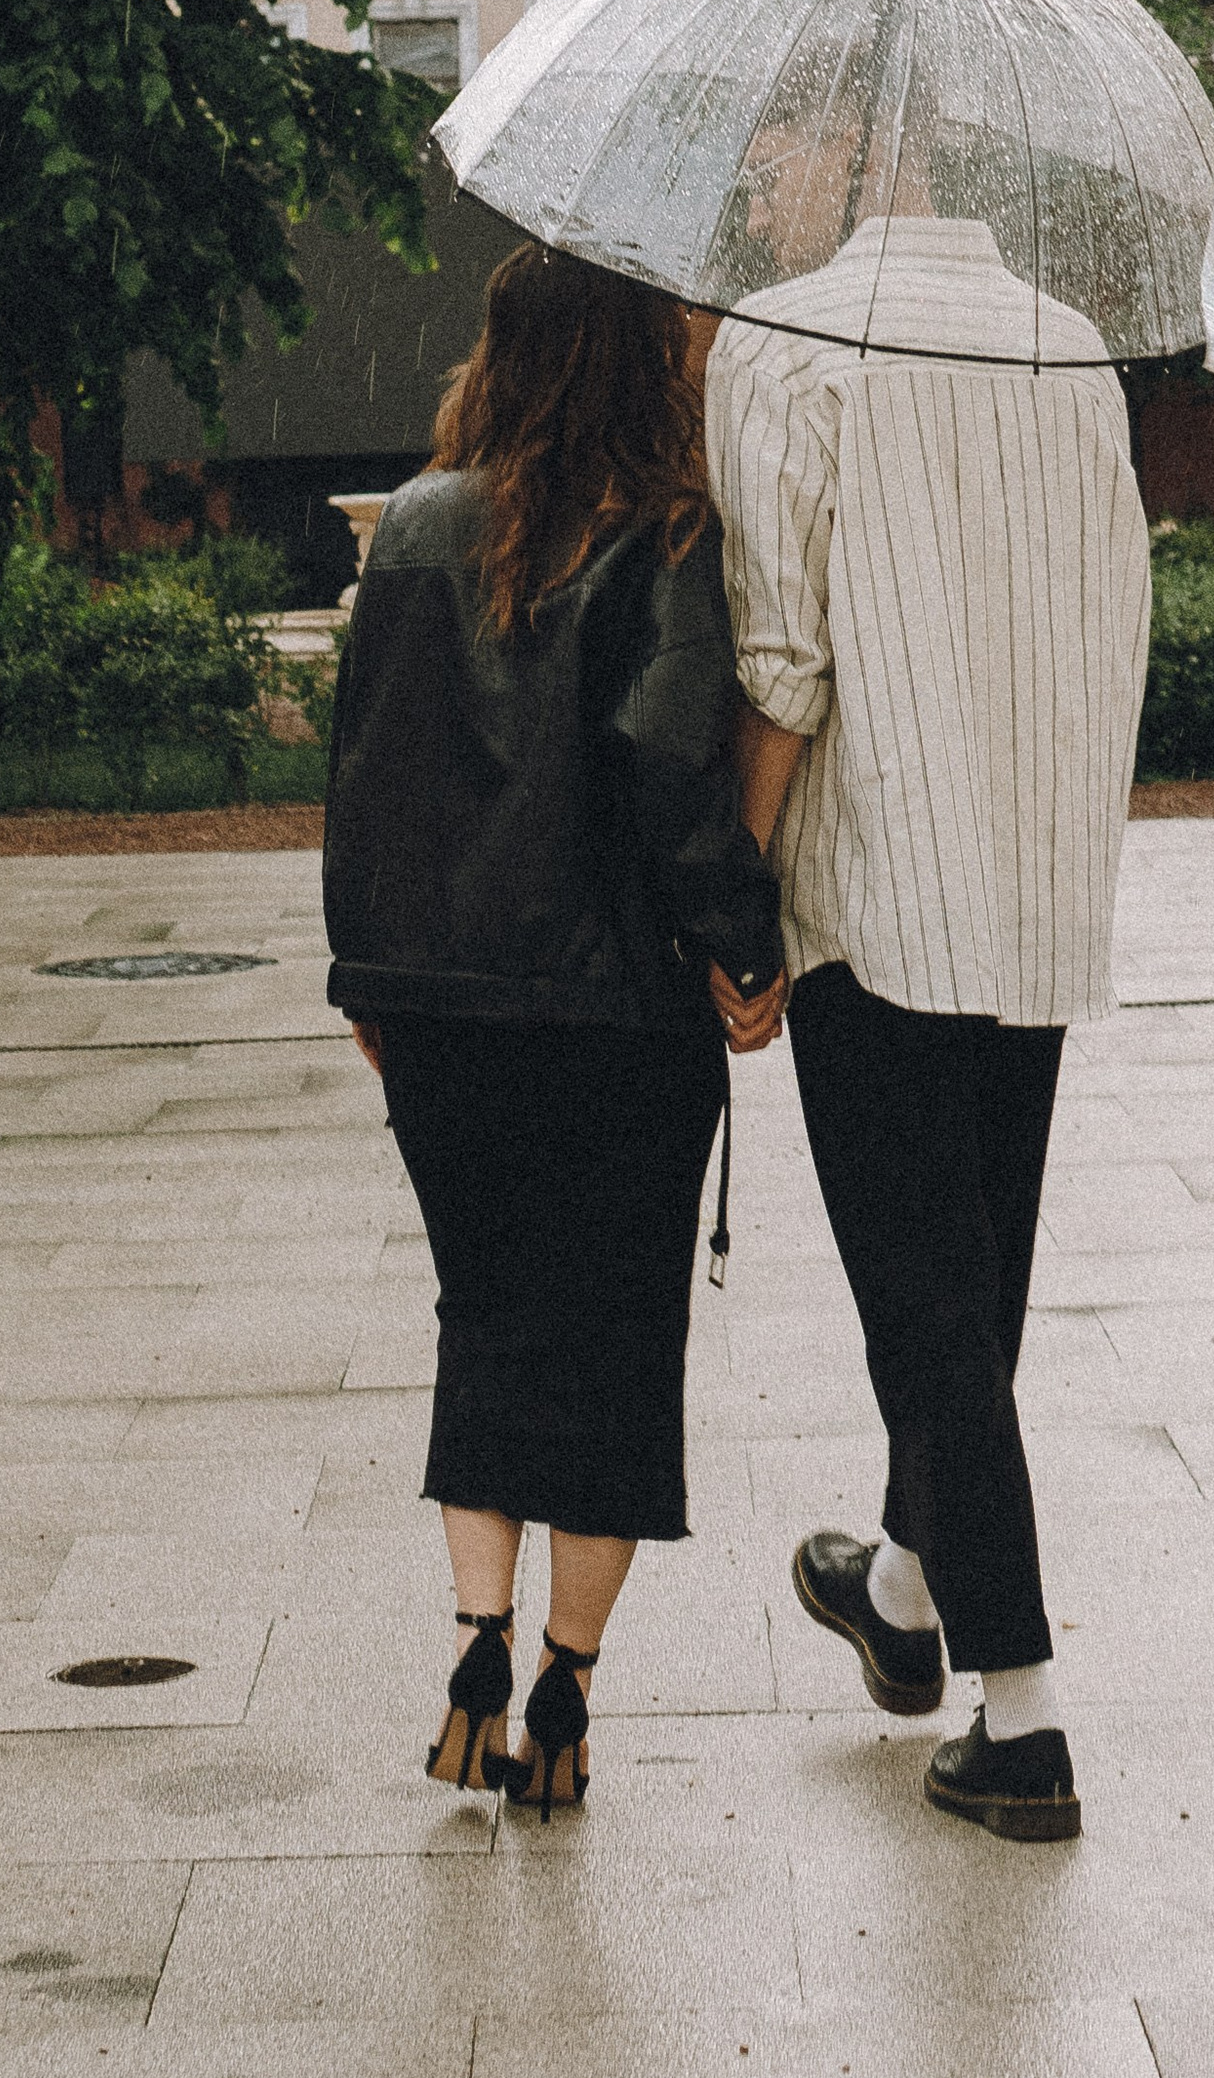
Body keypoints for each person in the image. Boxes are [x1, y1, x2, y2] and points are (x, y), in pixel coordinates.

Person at [706, 183, 1150, 1842]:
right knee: (969, 1283)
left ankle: (1022, 1719)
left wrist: (732, 894)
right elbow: (1118, 615)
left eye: (782, 149)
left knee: (926, 1308)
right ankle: (900, 1586)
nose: (757, 186)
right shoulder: (1072, 349)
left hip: (871, 887)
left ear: (859, 158)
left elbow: (779, 659)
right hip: (1033, 887)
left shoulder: (788, 340)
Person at [323, 240, 788, 1815]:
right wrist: (743, 945)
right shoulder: (669, 535)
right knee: (615, 1338)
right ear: (644, 361)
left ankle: (474, 1639)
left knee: (485, 1310)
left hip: (444, 1013)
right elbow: (672, 773)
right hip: (615, 1013)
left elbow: (365, 779)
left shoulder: (414, 528)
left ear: (501, 358)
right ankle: (569, 1690)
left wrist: (372, 979)